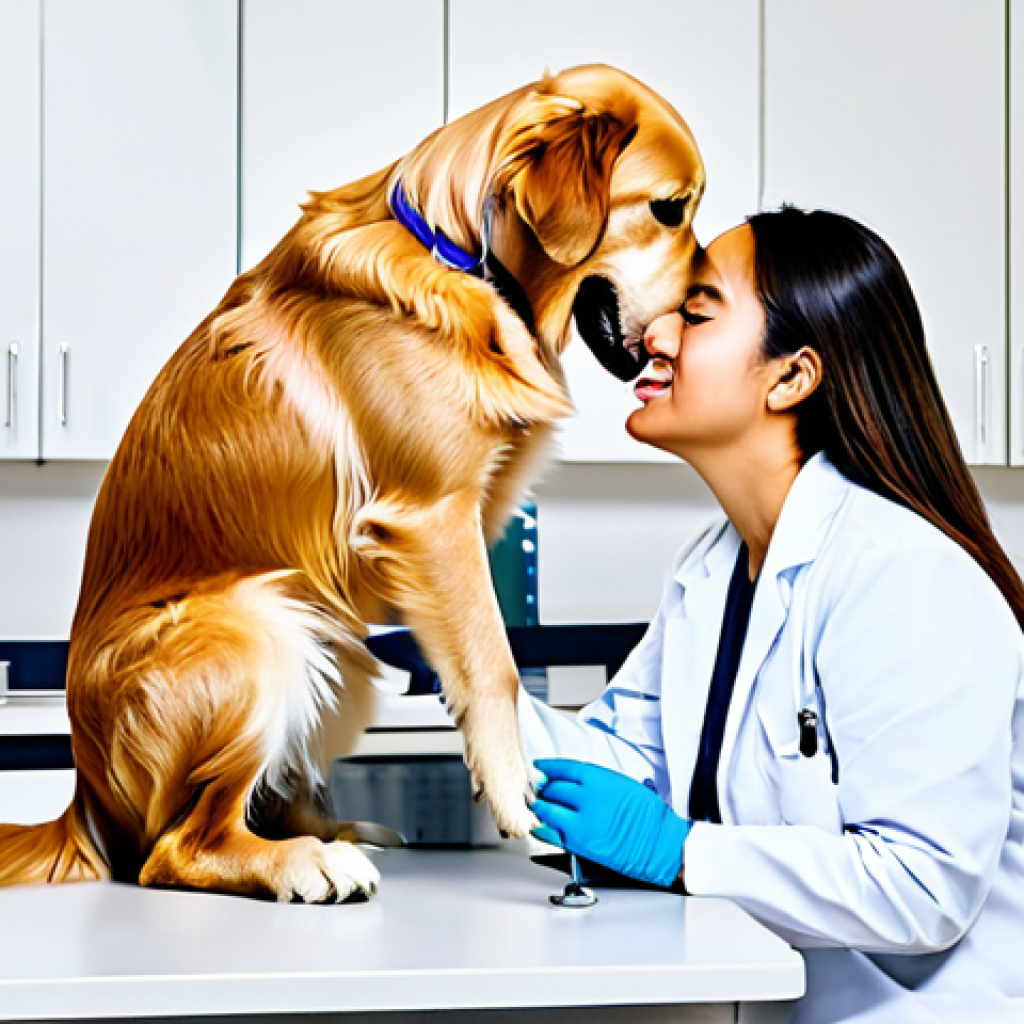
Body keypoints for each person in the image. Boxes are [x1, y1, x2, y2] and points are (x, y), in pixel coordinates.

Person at [521, 207, 1024, 1023]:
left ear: (790, 377)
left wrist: (681, 851)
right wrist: (468, 671)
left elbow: (924, 888)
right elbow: (618, 764)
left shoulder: (903, 573)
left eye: (695, 311)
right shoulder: (715, 567)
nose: (653, 334)